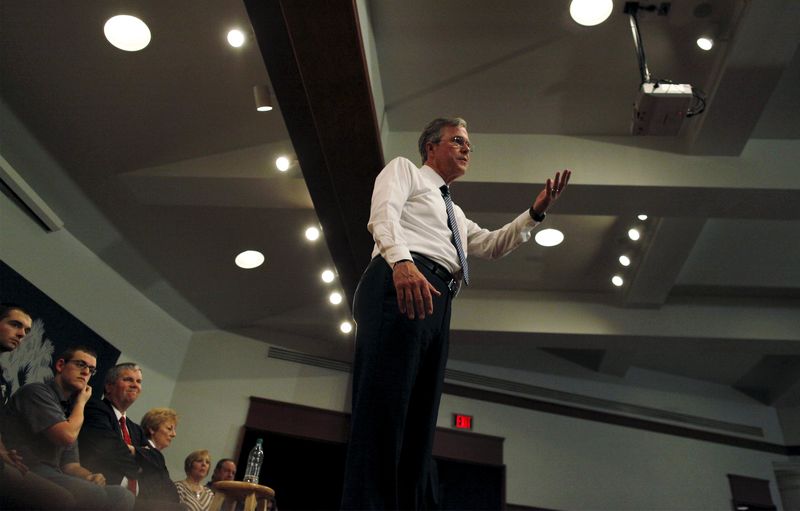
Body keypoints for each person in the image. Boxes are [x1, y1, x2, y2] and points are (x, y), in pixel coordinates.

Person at [341, 117, 571, 510]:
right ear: (431, 146)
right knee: (384, 410)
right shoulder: (405, 172)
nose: (467, 149)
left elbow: (492, 245)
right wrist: (400, 263)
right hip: (402, 283)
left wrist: (534, 213)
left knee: (418, 423)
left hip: (438, 300)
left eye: (468, 144)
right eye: (458, 141)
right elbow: (383, 214)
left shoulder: (456, 214)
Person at [2, 344, 135, 510]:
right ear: (60, 365)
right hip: (28, 465)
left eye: (92, 370)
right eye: (81, 365)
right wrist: (81, 402)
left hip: (54, 472)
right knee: (93, 494)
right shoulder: (37, 392)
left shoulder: (69, 410)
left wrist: (89, 475)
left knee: (122, 495)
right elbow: (66, 437)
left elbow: (70, 464)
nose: (86, 372)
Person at [0, 303, 76, 510]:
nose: (21, 334)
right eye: (15, 325)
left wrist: (3, 452)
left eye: (25, 331)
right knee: (61, 499)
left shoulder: (2, 379)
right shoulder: (36, 392)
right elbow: (65, 436)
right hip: (35, 465)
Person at [79, 363, 146, 496]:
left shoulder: (136, 430)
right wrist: (141, 464)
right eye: (128, 379)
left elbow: (157, 460)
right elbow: (110, 447)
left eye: (138, 381)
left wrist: (139, 454)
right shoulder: (95, 408)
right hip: (103, 490)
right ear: (109, 386)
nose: (135, 385)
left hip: (138, 498)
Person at [135, 407, 182, 510]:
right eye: (169, 429)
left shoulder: (156, 457)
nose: (174, 434)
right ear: (152, 429)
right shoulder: (143, 452)